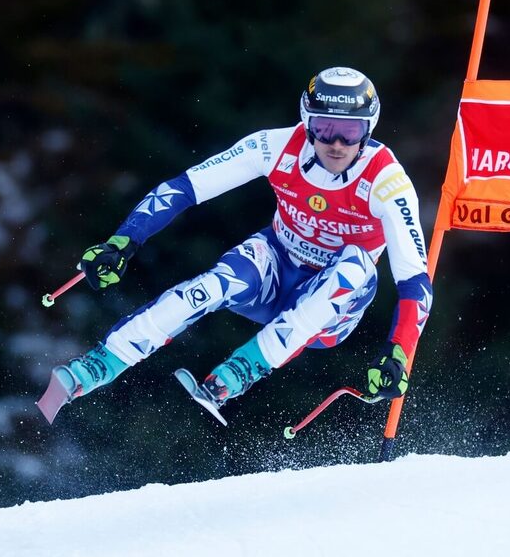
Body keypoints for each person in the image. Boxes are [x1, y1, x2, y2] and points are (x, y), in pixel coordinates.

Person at [38, 66, 433, 425]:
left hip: (333, 308)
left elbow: (415, 278)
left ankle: (245, 367)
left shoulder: (387, 182)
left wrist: (399, 350)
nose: (336, 143)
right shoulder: (275, 146)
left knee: (356, 264)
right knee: (211, 285)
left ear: (369, 129)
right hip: (276, 267)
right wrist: (123, 240)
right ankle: (98, 364)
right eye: (324, 127)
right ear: (306, 122)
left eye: (350, 132)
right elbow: (185, 188)